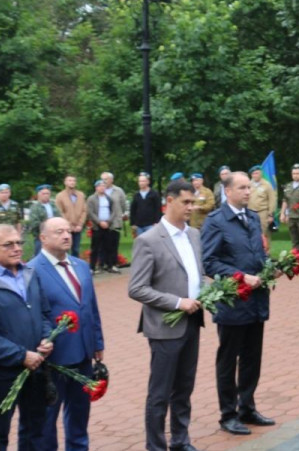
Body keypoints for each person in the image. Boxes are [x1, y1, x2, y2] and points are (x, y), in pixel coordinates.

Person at [127, 178, 205, 451]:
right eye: (186, 202)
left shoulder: (194, 235)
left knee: (184, 388)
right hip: (164, 326)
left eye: (193, 202)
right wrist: (177, 302)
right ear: (169, 201)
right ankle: (156, 446)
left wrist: (208, 292)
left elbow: (196, 274)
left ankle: (180, 441)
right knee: (160, 393)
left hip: (192, 322)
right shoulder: (148, 240)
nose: (191, 207)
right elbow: (137, 288)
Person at [0, 224, 54, 451]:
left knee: (35, 429)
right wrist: (21, 356)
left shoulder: (30, 274)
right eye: (8, 244)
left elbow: (44, 313)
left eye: (18, 242)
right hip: (3, 373)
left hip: (36, 368)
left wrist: (47, 337)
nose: (17, 248)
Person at [201, 171, 277, 435]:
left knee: (252, 358)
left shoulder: (253, 217)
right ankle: (228, 414)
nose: (248, 192)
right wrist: (241, 276)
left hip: (256, 301)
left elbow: (258, 254)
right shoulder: (216, 221)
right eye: (242, 188)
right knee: (228, 360)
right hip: (233, 302)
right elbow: (209, 262)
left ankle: (247, 407)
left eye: (249, 187)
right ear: (228, 191)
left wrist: (271, 269)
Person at [30, 218, 104, 451]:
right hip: (53, 357)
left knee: (80, 412)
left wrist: (97, 342)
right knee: (48, 416)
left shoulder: (80, 266)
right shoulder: (32, 270)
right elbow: (35, 315)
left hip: (83, 352)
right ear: (43, 238)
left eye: (69, 231)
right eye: (59, 232)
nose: (66, 236)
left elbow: (91, 307)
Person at [85, 180, 120, 274]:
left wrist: (108, 222)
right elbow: (90, 212)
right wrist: (99, 222)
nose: (102, 188)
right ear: (96, 188)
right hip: (97, 227)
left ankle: (110, 265)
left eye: (104, 186)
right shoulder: (91, 199)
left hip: (108, 226)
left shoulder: (109, 198)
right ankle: (92, 267)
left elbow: (113, 211)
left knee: (109, 247)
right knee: (95, 248)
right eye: (100, 186)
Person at [55, 176, 87, 258]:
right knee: (65, 249)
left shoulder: (81, 195)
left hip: (78, 227)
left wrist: (80, 224)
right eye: (69, 180)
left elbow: (84, 210)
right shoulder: (60, 196)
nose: (72, 182)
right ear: (65, 182)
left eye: (74, 181)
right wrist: (68, 225)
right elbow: (59, 212)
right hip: (65, 228)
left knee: (76, 249)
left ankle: (75, 264)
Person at [24, 185, 60, 257]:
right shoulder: (34, 207)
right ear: (39, 195)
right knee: (40, 255)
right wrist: (48, 226)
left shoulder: (53, 205)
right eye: (44, 194)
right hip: (41, 236)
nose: (46, 195)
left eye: (47, 193)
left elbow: (59, 217)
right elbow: (34, 223)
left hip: (55, 235)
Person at [248, 165, 278, 241]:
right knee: (251, 232)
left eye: (257, 173)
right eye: (253, 173)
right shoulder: (248, 184)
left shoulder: (267, 184)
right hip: (250, 212)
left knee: (264, 233)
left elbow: (272, 200)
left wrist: (270, 214)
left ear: (261, 173)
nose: (255, 175)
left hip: (263, 212)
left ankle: (266, 248)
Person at [131, 172, 163, 238]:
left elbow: (158, 208)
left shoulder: (154, 194)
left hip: (151, 224)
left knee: (151, 241)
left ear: (148, 182)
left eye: (143, 181)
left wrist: (157, 222)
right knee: (140, 242)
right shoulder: (136, 195)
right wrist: (133, 223)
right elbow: (133, 210)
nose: (141, 183)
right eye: (140, 181)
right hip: (139, 225)